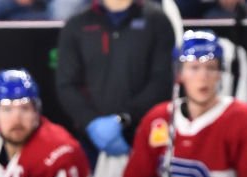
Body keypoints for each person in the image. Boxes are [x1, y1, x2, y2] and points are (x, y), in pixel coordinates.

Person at [119, 30, 247, 177]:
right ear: (179, 74)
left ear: (220, 74)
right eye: (194, 67)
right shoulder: (157, 119)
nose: (203, 77)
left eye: (211, 67)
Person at [56, 0, 175, 164]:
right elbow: (66, 84)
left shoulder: (156, 20)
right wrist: (91, 122)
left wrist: (125, 118)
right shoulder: (77, 24)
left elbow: (162, 80)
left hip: (144, 135)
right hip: (90, 140)